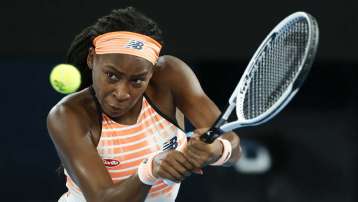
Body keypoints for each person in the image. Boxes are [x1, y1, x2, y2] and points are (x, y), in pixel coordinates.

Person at [47, 7, 241, 202]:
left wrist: (216, 150)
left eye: (137, 80)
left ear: (152, 72)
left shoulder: (170, 76)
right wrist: (150, 170)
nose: (122, 93)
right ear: (91, 58)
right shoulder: (67, 115)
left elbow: (233, 146)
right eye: (112, 75)